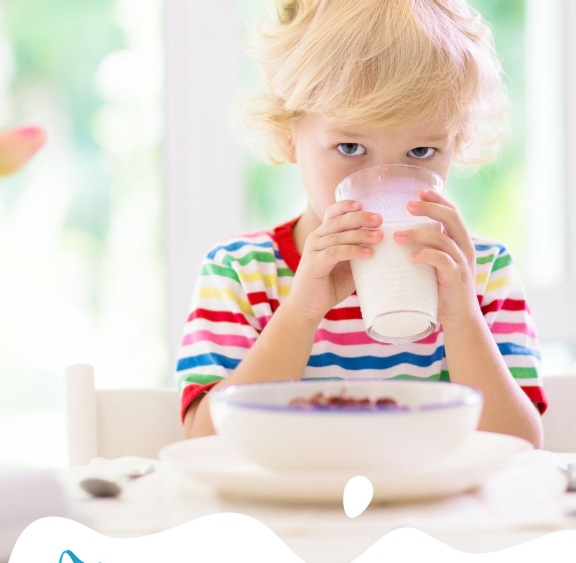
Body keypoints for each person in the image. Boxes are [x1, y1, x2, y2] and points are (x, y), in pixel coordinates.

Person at [176, 0, 547, 446]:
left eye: (421, 153)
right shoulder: (241, 272)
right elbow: (203, 441)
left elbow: (520, 448)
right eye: (351, 147)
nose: (384, 182)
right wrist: (300, 313)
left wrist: (462, 315)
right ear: (287, 132)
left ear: (457, 144)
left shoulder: (481, 274)